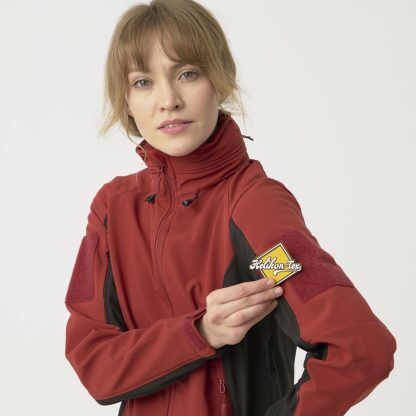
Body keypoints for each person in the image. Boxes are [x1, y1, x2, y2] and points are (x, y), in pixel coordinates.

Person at [64, 1, 397, 415]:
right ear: (126, 100)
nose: (168, 100)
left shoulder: (256, 207)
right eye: (143, 82)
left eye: (187, 74)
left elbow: (360, 349)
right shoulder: (111, 210)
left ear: (219, 80)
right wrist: (200, 331)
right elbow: (93, 364)